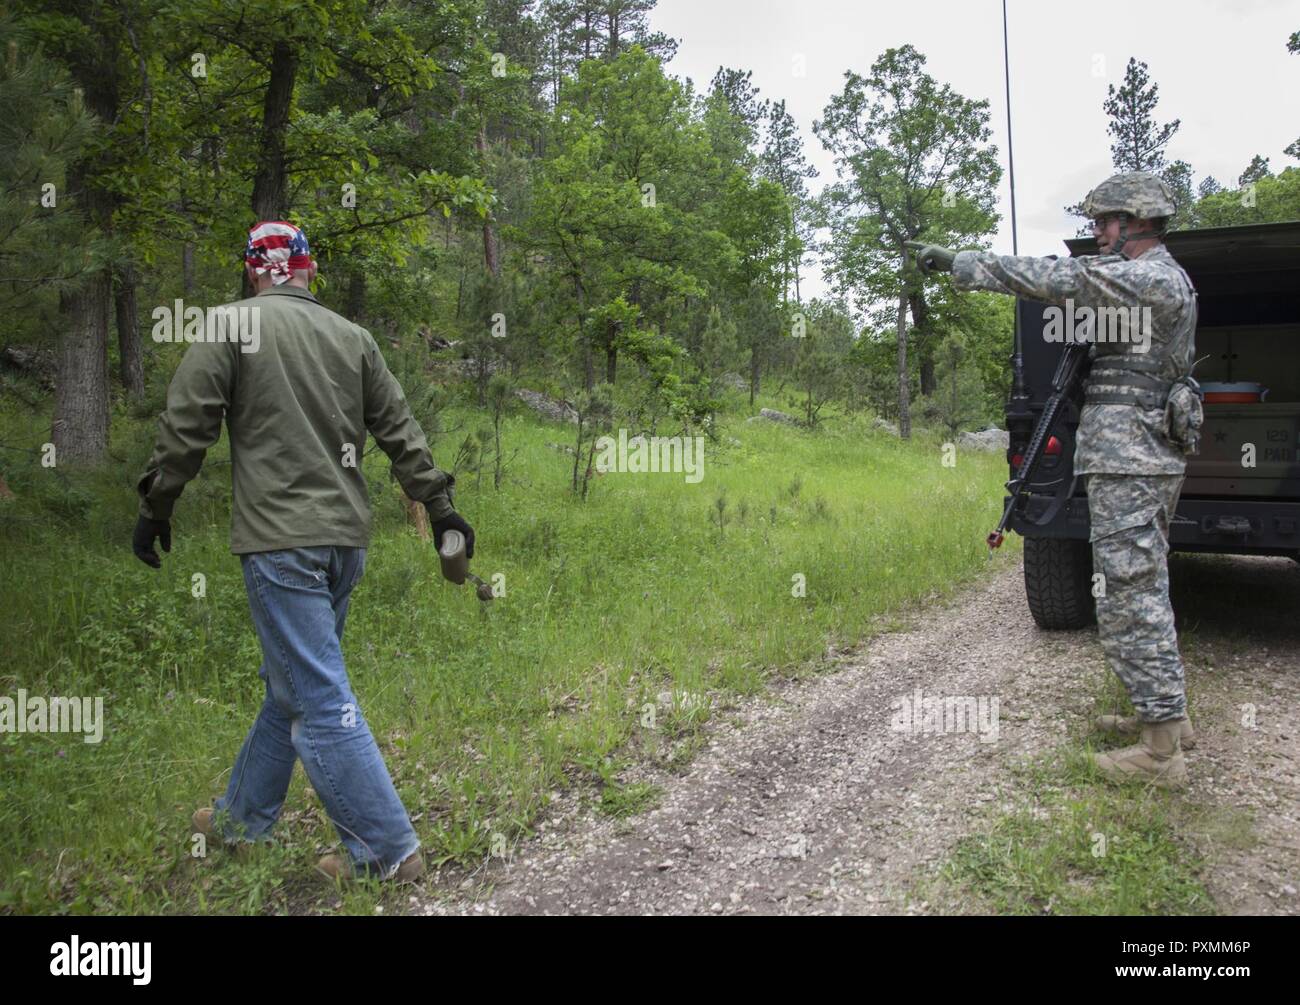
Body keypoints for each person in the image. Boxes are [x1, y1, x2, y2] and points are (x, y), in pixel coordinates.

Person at [132, 220, 475, 878]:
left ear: (253, 270)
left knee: (317, 694)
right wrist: (439, 506)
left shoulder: (232, 325)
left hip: (281, 543)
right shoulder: (353, 338)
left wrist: (157, 503)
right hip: (345, 542)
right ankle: (238, 822)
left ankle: (387, 851)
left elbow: (187, 423)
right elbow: (401, 430)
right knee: (292, 687)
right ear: (309, 269)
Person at [907, 172, 1201, 788]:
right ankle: (1166, 722)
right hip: (1137, 457)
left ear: (1135, 223)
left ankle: (1160, 753)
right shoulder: (1150, 280)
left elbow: (1061, 281)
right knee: (1145, 583)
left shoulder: (1149, 277)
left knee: (1128, 592)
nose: (1095, 235)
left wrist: (964, 263)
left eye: (1103, 224)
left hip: (1132, 459)